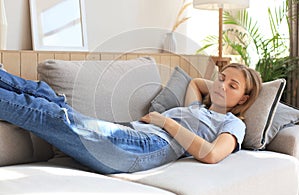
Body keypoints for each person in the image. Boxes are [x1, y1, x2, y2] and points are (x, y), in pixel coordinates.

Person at [0, 63, 262, 174]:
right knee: (48, 97)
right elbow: (195, 82)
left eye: (233, 86)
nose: (222, 85)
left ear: (243, 100)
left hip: (148, 145)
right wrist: (223, 85)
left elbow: (213, 154)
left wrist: (165, 122)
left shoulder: (233, 123)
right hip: (131, 134)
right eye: (221, 78)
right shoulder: (196, 109)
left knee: (53, 115)